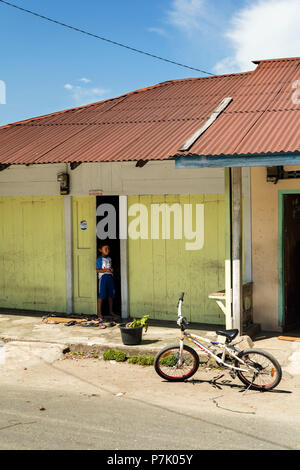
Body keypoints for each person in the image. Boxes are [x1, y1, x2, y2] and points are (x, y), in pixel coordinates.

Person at [96, 243, 117, 328]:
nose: (107, 250)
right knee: (101, 295)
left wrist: (111, 270)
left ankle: (111, 311)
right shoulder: (99, 259)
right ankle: (99, 313)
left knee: (110, 295)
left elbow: (111, 268)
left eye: (108, 248)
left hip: (110, 277)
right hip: (103, 278)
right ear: (100, 250)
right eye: (105, 249)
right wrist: (105, 270)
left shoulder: (109, 259)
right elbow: (97, 270)